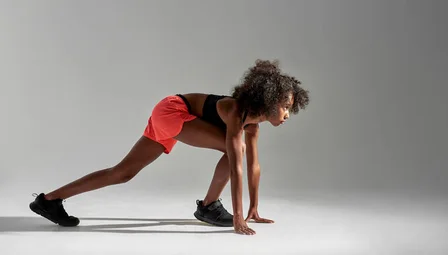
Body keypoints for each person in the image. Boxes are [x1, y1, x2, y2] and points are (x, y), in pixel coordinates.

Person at [28, 59, 310, 235]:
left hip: (171, 114)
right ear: (269, 101)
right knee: (233, 150)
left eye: (290, 109)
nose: (287, 114)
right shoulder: (237, 113)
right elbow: (236, 164)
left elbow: (253, 167)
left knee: (123, 172)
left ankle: (49, 200)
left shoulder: (253, 126)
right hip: (174, 111)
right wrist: (238, 216)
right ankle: (209, 206)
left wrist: (255, 209)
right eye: (285, 107)